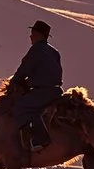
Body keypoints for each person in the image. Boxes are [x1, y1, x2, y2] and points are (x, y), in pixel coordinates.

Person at [9, 20, 64, 153]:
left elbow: (24, 68)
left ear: (38, 34)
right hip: (56, 91)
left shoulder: (37, 50)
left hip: (43, 92)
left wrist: (15, 82)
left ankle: (41, 139)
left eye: (33, 33)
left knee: (21, 107)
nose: (31, 36)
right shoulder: (54, 51)